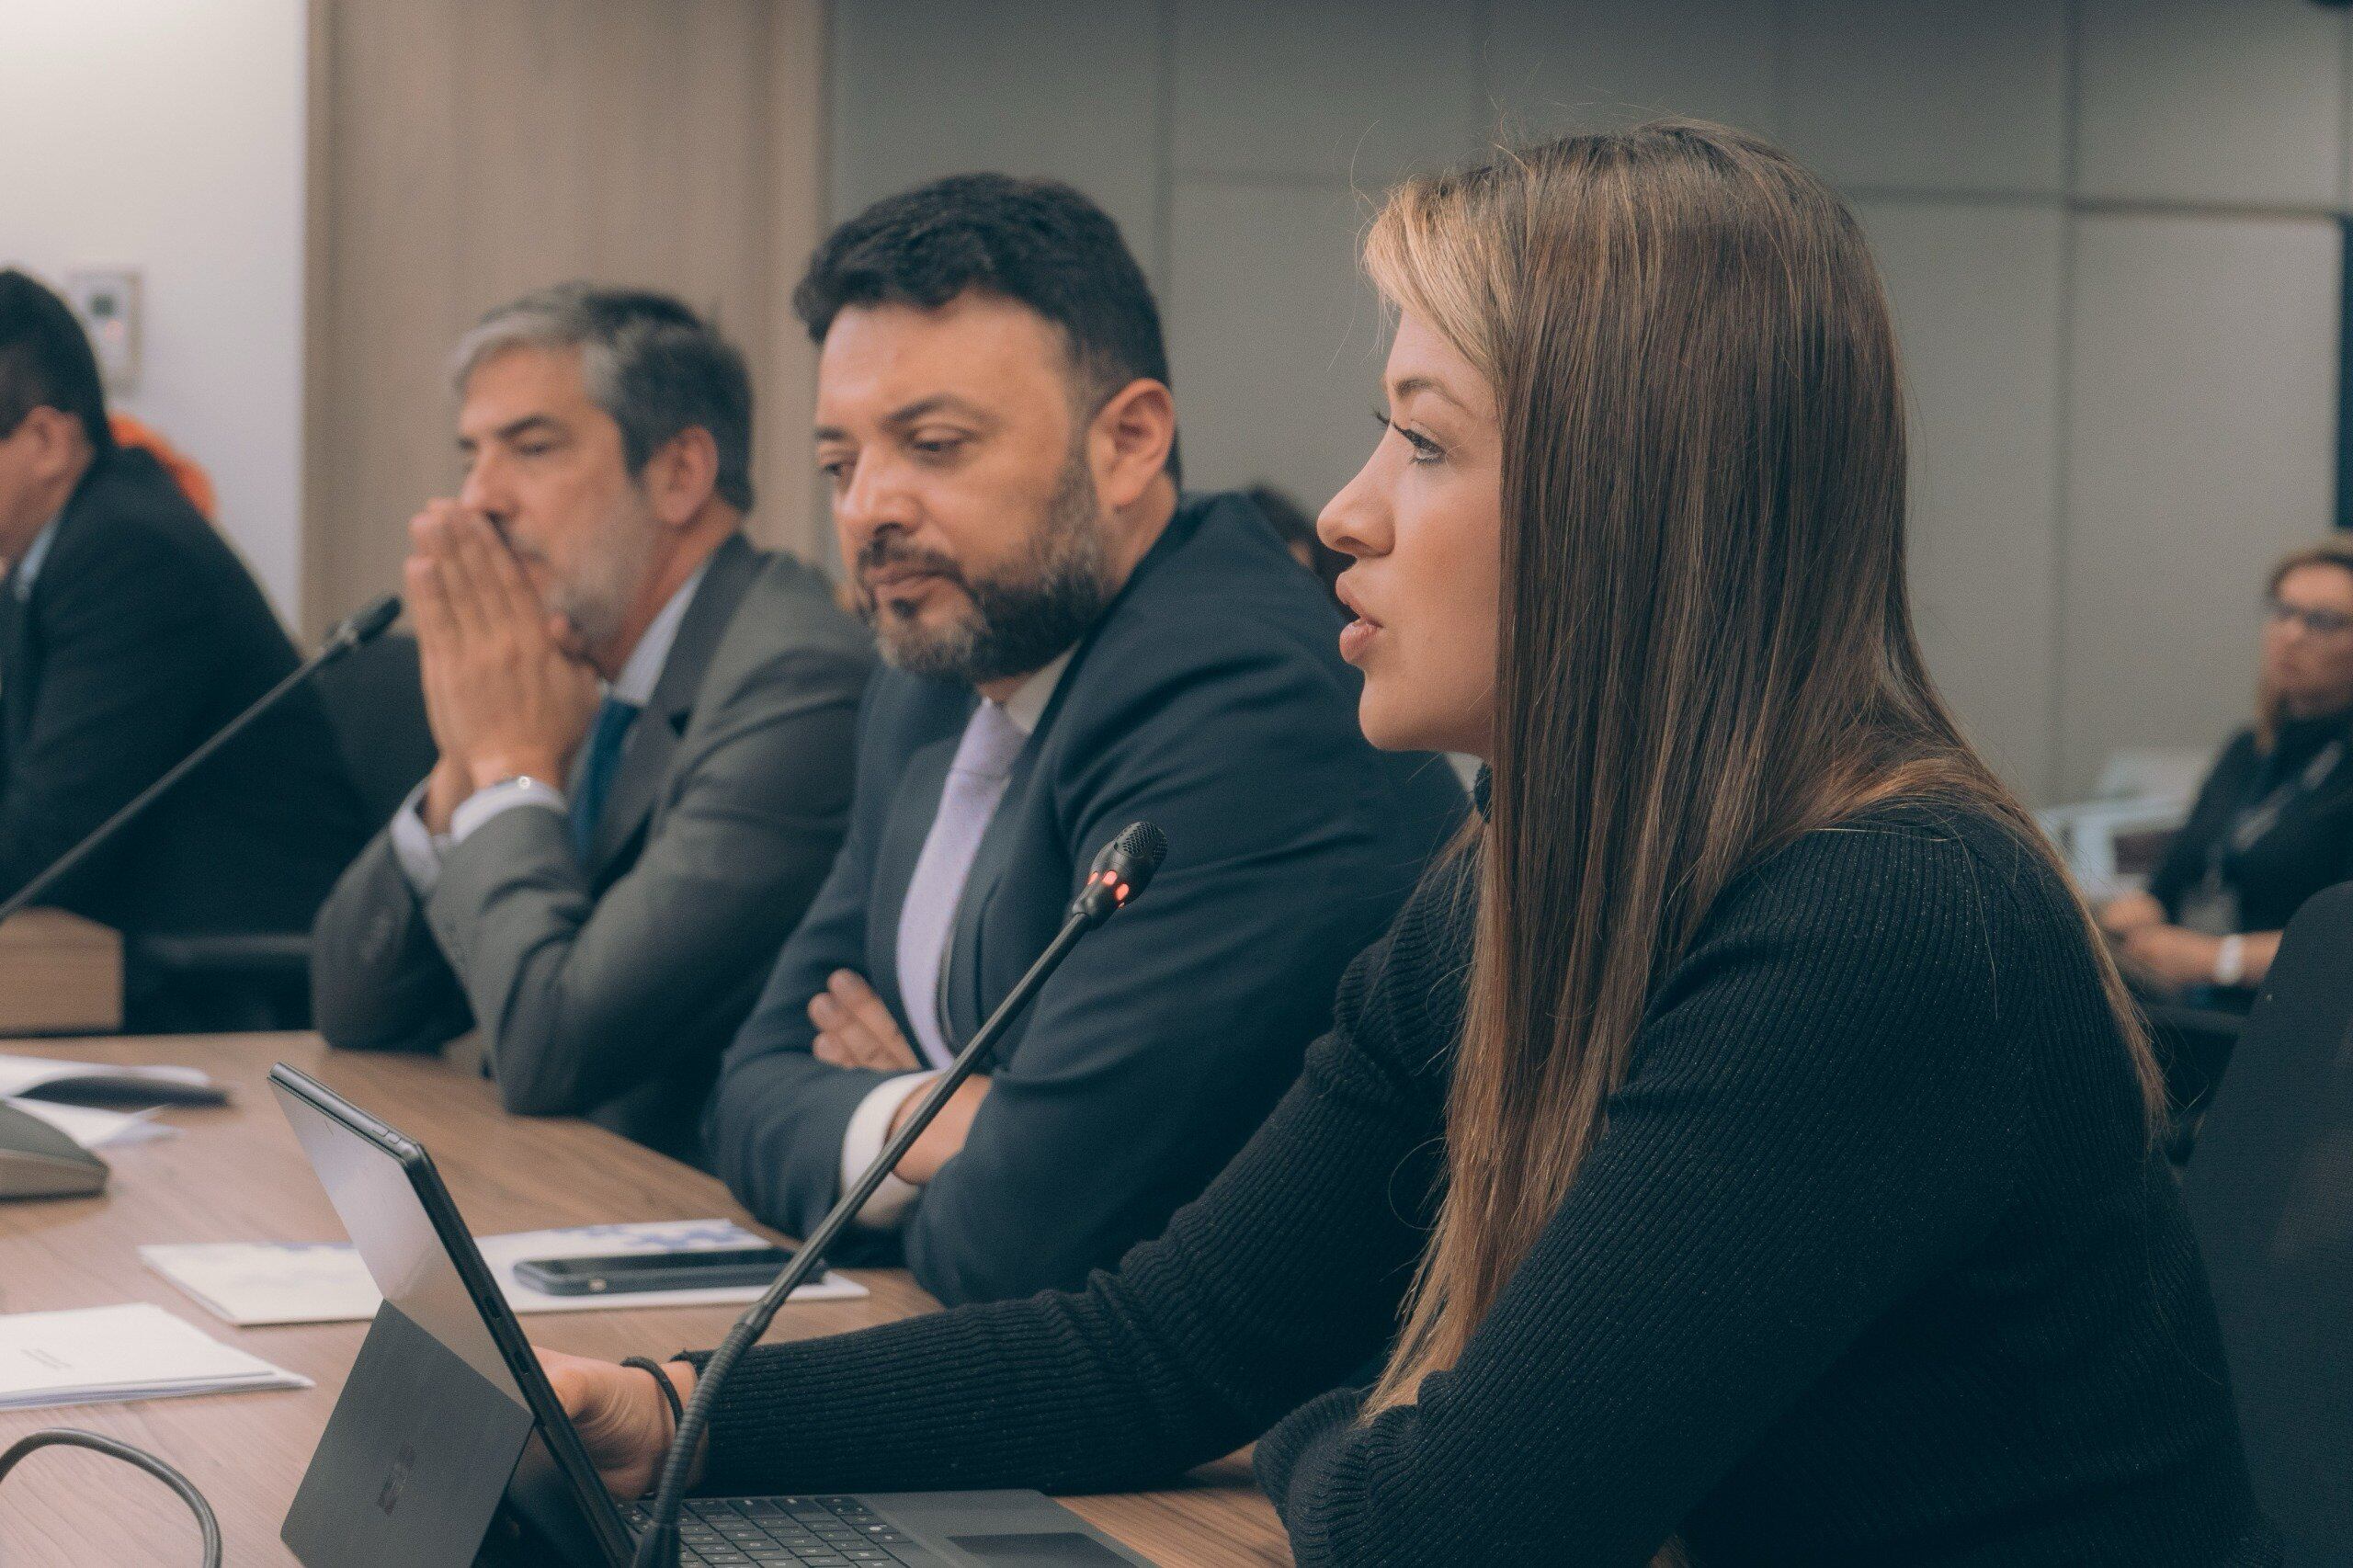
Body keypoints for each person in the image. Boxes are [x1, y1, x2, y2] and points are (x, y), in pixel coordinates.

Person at [543, 124, 2275, 1567]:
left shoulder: (1887, 920)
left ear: (1630, 508)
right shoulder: (1512, 889)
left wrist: (1346, 1412)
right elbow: (1160, 1350)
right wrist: (682, 1402)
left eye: (1425, 441)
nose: (1349, 509)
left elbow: (1437, 1529)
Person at [706, 174, 1465, 1306]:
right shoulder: (928, 672)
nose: (869, 506)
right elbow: (747, 1090)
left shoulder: (1241, 701)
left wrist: (945, 1124)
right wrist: (938, 1113)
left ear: (1128, 441)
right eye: (839, 464)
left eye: (933, 444)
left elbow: (1019, 1240)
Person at [310, 285, 873, 1162]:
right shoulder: (569, 665)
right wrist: (463, 766)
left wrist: (507, 765)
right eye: (472, 457)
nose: (479, 500)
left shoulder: (795, 686)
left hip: (715, 1227)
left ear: (681, 473)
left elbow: (553, 1048)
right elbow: (356, 1005)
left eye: (531, 450)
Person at [0, 268, 369, 1027]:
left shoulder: (126, 553)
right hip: (127, 957)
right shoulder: (52, 554)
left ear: (43, 441)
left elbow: (45, 842)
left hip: (231, 989)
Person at [2102, 541, 2353, 1007]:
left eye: (2322, 621)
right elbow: (2174, 877)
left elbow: (2343, 943)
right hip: (2197, 1004)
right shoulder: (2249, 748)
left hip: (2298, 1026)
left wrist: (2220, 959)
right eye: (2283, 612)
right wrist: (2127, 918)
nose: (2291, 635)